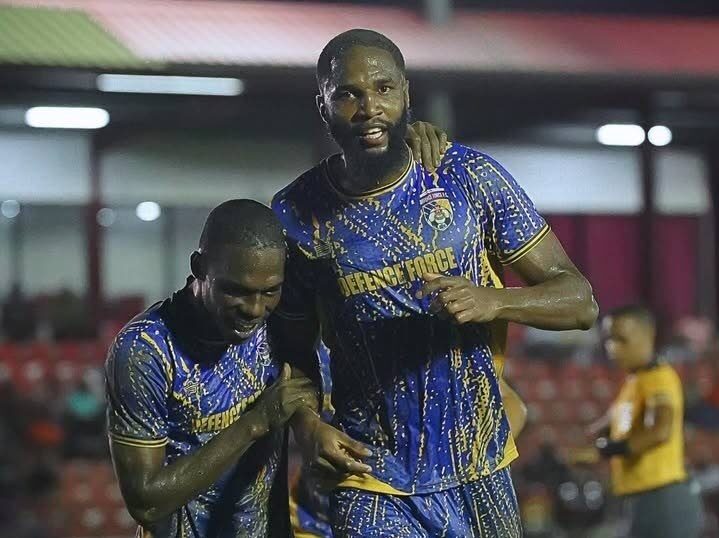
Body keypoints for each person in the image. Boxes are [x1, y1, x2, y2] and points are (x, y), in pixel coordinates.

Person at [271, 28, 598, 537]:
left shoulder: (470, 178)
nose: (368, 107)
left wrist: (494, 300)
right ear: (323, 107)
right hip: (370, 475)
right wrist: (308, 426)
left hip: (478, 465)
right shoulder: (296, 215)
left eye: (382, 88)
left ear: (407, 94)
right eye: (348, 94)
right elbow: (290, 352)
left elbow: (581, 303)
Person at [106, 199, 319, 538]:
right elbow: (145, 501)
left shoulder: (279, 322)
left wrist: (311, 427)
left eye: (270, 291)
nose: (255, 308)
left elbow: (302, 385)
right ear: (199, 267)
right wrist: (256, 422)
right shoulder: (146, 348)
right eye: (236, 291)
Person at [573, 305, 703, 538]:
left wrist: (605, 451)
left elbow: (660, 430)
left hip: (662, 501)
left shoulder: (658, 378)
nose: (612, 347)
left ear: (648, 336)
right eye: (609, 339)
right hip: (642, 500)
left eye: (622, 339)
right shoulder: (635, 381)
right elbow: (616, 423)